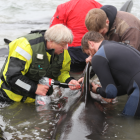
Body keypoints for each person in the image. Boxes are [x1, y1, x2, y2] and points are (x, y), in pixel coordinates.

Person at [0, 24, 80, 103]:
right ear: (51, 40)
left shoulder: (63, 52)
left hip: (35, 101)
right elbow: (13, 78)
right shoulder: (26, 46)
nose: (66, 48)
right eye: (62, 44)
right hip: (9, 98)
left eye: (67, 44)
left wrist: (69, 80)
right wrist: (34, 88)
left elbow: (62, 72)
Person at [81, 31, 140, 117]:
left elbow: (110, 92)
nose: (90, 57)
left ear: (91, 43)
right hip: (136, 86)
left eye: (89, 53)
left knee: (127, 122)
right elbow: (126, 87)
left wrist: (97, 90)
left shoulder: (98, 57)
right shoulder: (117, 45)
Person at [50, 0, 102, 77]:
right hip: (93, 50)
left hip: (72, 52)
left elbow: (53, 31)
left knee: (68, 78)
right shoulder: (99, 7)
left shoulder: (63, 7)